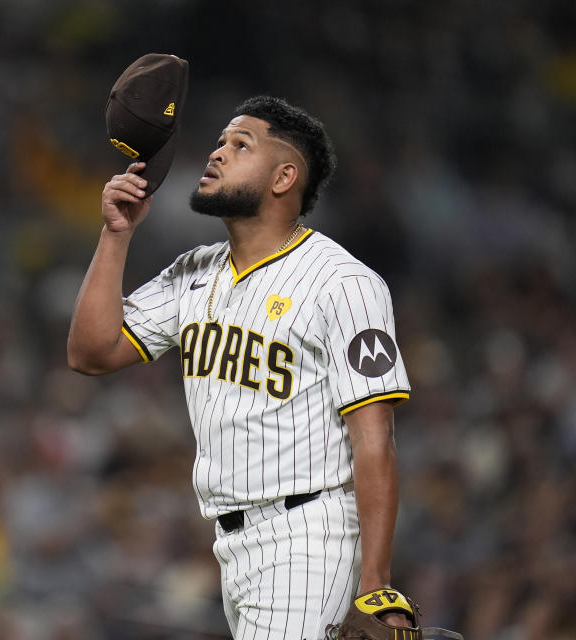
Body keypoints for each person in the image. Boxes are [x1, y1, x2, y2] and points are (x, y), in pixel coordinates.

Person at [68, 95, 411, 637]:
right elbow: (90, 353)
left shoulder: (344, 284)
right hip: (233, 548)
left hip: (306, 539)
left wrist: (376, 585)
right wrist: (116, 235)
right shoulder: (194, 272)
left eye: (240, 144)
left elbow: (374, 440)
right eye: (221, 141)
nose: (217, 153)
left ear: (284, 177)